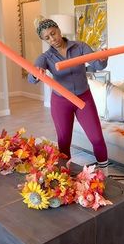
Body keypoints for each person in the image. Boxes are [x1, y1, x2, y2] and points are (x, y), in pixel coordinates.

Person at [28, 18, 109, 173]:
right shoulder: (46, 57)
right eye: (47, 38)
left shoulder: (80, 46)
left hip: (83, 98)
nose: (52, 39)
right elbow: (32, 78)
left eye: (53, 33)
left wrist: (103, 58)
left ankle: (105, 174)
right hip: (61, 102)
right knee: (64, 142)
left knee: (97, 138)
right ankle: (66, 176)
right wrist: (36, 74)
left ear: (59, 30)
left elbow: (98, 65)